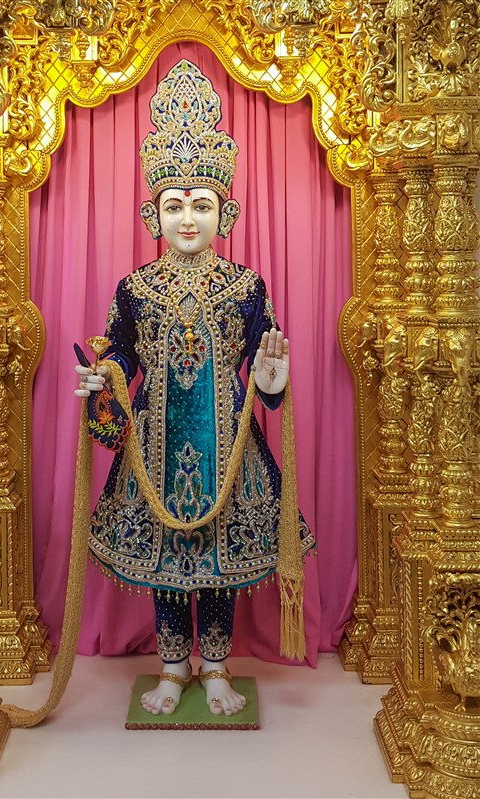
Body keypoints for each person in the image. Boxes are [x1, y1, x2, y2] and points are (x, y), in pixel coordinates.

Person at [75, 60, 313, 717]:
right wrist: (102, 379)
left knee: (218, 565)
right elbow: (120, 353)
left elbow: (265, 364)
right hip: (155, 447)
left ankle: (214, 667)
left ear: (225, 212)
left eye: (201, 205)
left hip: (227, 448)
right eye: (174, 205)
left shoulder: (245, 286)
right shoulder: (135, 288)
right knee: (166, 567)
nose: (187, 218)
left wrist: (271, 384)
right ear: (152, 213)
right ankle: (173, 668)